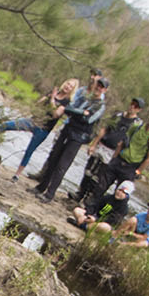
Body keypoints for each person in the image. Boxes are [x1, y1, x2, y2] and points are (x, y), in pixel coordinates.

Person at [30, 71, 109, 201]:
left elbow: (88, 118)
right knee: (54, 157)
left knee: (62, 165)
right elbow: (71, 107)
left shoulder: (100, 105)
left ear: (105, 90)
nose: (98, 88)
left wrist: (78, 112)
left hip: (79, 136)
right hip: (68, 128)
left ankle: (50, 194)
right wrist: (80, 112)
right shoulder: (85, 96)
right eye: (98, 85)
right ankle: (41, 186)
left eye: (102, 87)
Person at [0, 76, 77, 182]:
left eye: (71, 86)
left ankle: (17, 175)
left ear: (72, 90)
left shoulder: (66, 103)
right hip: (33, 122)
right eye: (68, 84)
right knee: (6, 125)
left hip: (44, 129)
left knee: (29, 151)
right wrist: (47, 97)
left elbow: (55, 114)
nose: (68, 87)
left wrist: (52, 99)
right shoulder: (54, 92)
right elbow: (37, 104)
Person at [70, 179, 134, 230]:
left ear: (127, 196)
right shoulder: (108, 197)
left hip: (102, 223)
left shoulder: (124, 208)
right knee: (77, 210)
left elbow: (112, 220)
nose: (120, 193)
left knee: (105, 227)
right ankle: (84, 224)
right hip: (93, 217)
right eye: (119, 190)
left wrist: (96, 220)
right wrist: (87, 215)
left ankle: (83, 225)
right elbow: (94, 205)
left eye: (123, 192)